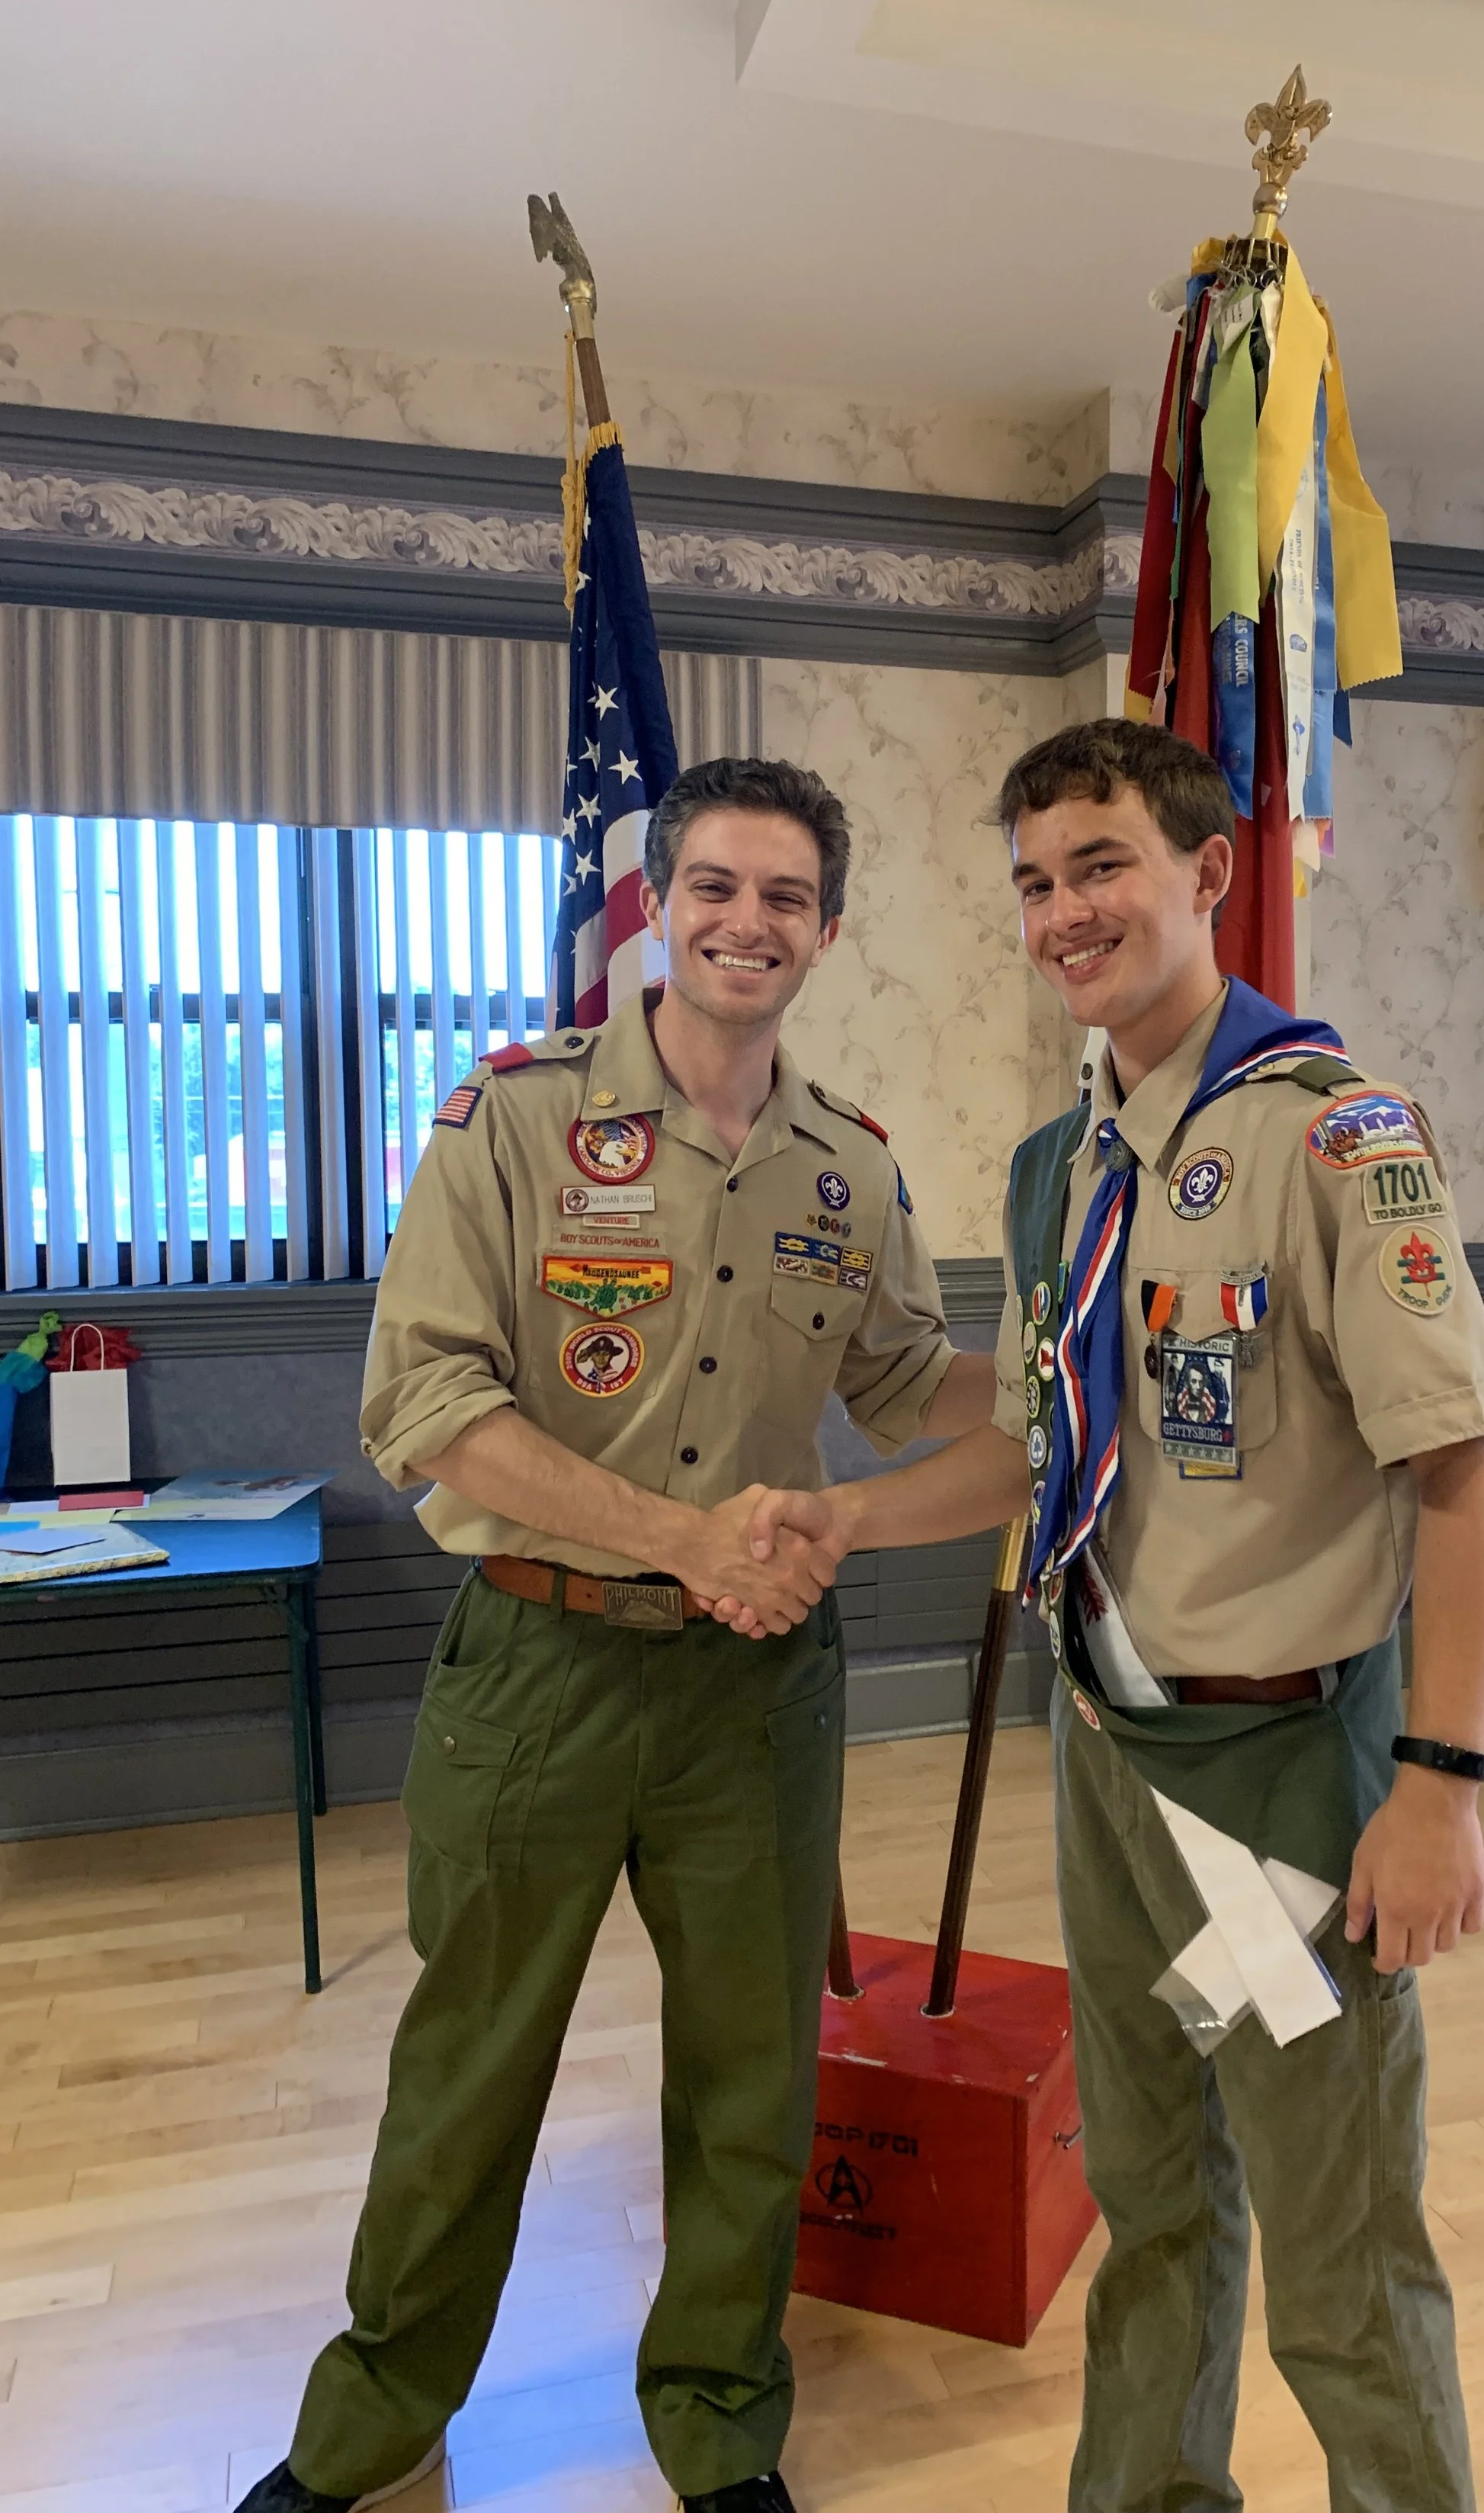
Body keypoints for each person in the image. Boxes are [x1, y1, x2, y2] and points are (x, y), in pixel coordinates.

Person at [739, 720, 1484, 2513]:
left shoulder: (1333, 1142)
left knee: (1336, 2258)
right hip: (1107, 1761)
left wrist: (1441, 1785)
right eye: (1031, 881)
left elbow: (1466, 1476)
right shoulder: (1058, 1170)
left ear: (1204, 874)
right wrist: (842, 1512)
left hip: (1272, 1794)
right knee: (1151, 2200)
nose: (1062, 909)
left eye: (1098, 863)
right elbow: (1035, 1446)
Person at [239, 757, 995, 2513]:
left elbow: (905, 1392)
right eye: (717, 887)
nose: (750, 923)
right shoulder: (509, 1118)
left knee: (751, 2074)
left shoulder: (851, 1170)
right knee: (471, 2064)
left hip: (757, 1697)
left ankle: (721, 2421)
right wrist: (685, 1542)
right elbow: (420, 1402)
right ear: (655, 901)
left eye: (787, 897)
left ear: (825, 927)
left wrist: (1069, 1375)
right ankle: (369, 2425)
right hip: (541, 1664)